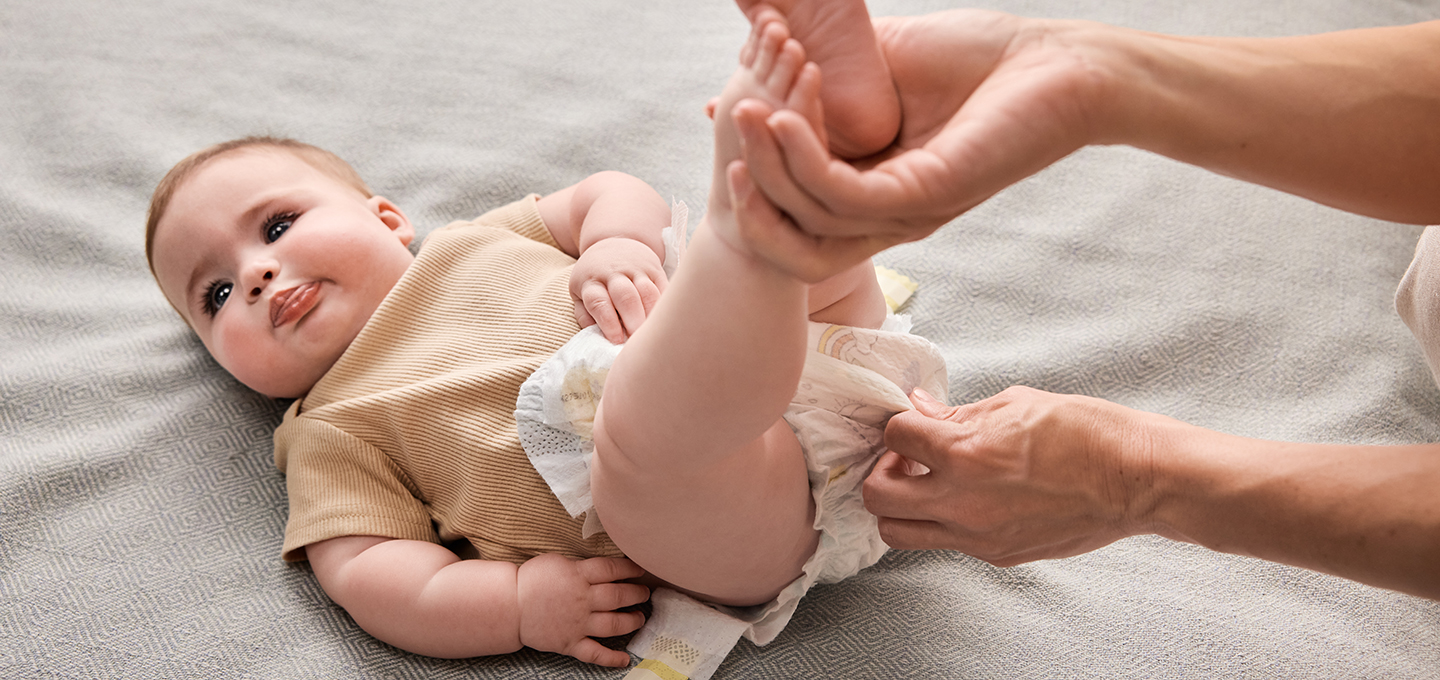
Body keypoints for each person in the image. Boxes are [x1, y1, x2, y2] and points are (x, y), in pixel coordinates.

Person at [145, 0, 944, 668]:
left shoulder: (469, 242)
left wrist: (616, 246)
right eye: (215, 295)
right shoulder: (330, 430)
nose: (256, 276)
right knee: (646, 434)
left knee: (785, 269)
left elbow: (604, 193)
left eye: (278, 225)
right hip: (729, 512)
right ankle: (768, 212)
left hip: (805, 360)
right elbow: (373, 575)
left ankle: (833, 153)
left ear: (387, 220)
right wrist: (519, 605)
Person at [726, 8, 1440, 600]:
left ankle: (741, 233)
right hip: (840, 375)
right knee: (783, 303)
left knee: (671, 435)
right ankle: (765, 218)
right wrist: (1080, 77)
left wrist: (1135, 477)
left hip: (778, 491)